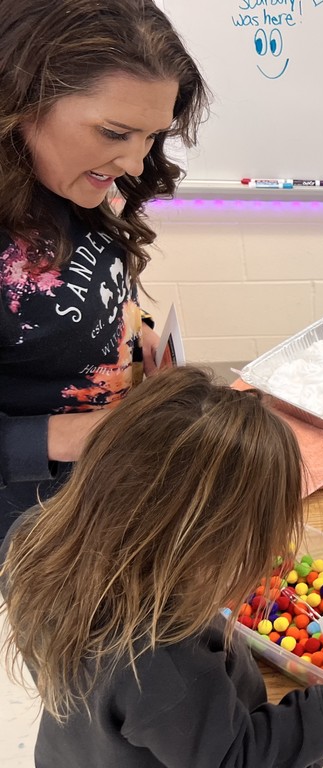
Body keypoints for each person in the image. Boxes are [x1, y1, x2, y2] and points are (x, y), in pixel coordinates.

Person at [0, 366, 323, 767]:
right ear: (200, 546)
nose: (274, 552)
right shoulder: (162, 664)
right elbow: (235, 757)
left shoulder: (31, 539)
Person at [0, 0, 210, 537]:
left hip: (106, 478)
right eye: (115, 133)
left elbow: (89, 290)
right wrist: (69, 436)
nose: (135, 164)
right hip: (31, 520)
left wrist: (135, 341)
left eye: (151, 136)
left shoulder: (68, 178)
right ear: (22, 100)